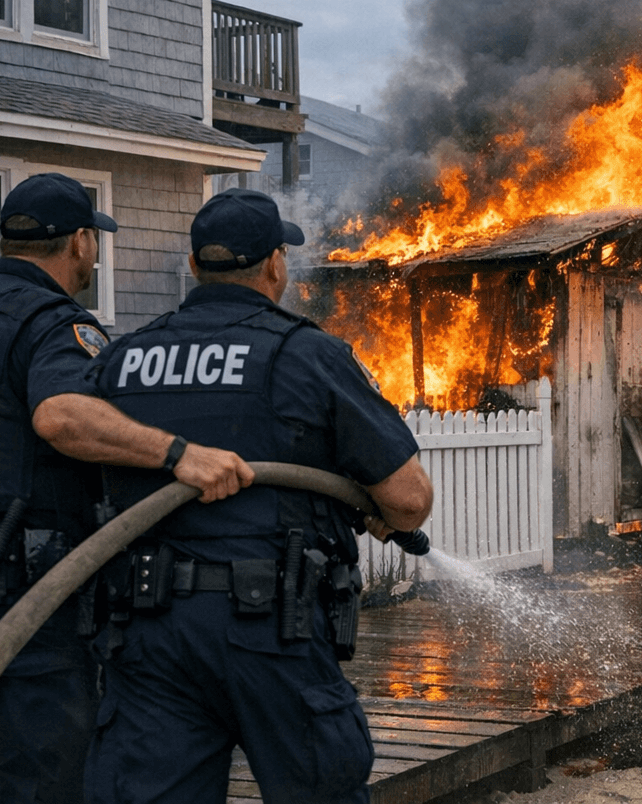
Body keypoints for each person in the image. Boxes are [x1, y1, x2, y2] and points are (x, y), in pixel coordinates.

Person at [0, 172, 252, 804]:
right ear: (81, 242)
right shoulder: (54, 322)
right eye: (94, 241)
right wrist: (180, 455)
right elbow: (60, 416)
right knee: (47, 781)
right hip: (11, 599)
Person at [76, 187, 433, 804]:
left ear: (193, 267)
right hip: (272, 632)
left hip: (149, 631)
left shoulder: (123, 358)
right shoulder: (307, 354)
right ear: (275, 264)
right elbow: (407, 499)